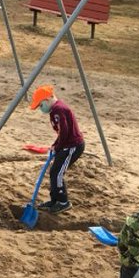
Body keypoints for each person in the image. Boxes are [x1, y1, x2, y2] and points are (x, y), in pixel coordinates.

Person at [30, 84, 85, 213]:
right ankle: (54, 200)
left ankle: (63, 201)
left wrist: (58, 146)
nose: (40, 109)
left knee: (58, 173)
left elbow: (65, 132)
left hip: (73, 146)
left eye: (41, 105)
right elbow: (61, 133)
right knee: (54, 171)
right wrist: (56, 145)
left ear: (47, 100)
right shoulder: (55, 110)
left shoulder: (58, 110)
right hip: (66, 145)